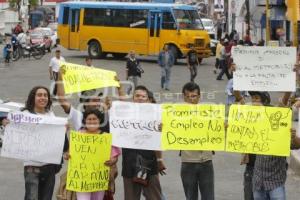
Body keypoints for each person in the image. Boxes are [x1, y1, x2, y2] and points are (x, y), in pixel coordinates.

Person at [2, 86, 69, 200]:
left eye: (45, 95)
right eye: (39, 95)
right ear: (33, 97)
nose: (43, 98)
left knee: (46, 197)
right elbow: (8, 119)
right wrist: (3, 121)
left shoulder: (50, 115)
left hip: (50, 167)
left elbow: (58, 137)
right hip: (32, 167)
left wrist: (64, 133)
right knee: (31, 197)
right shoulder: (24, 114)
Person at [64, 109, 121, 200]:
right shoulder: (78, 135)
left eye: (94, 119)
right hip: (81, 180)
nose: (92, 121)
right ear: (85, 121)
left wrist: (113, 161)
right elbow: (69, 153)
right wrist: (67, 155)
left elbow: (115, 156)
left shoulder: (106, 137)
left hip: (98, 180)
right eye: (89, 119)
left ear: (99, 121)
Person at [122, 85, 166, 200]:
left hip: (150, 162)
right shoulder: (123, 115)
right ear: (133, 98)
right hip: (129, 163)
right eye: (137, 96)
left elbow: (158, 141)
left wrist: (160, 161)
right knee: (130, 197)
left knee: (154, 197)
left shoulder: (156, 116)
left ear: (148, 99)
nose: (140, 98)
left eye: (143, 96)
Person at [180, 82, 215, 200]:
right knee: (190, 197)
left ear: (199, 96)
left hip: (206, 161)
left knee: (209, 197)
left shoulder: (209, 112)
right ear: (183, 97)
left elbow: (217, 130)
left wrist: (223, 127)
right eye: (188, 96)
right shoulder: (175, 114)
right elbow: (169, 132)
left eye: (194, 96)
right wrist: (163, 127)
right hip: (187, 162)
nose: (191, 99)